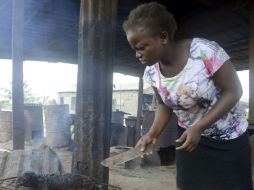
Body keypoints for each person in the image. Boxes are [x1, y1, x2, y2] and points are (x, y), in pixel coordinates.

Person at [122, 2, 253, 190]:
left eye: (142, 47)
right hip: (188, 140)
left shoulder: (204, 52)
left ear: (163, 37)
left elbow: (234, 92)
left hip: (228, 140)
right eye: (134, 49)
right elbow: (164, 106)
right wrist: (152, 133)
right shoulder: (151, 72)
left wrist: (199, 127)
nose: (137, 54)